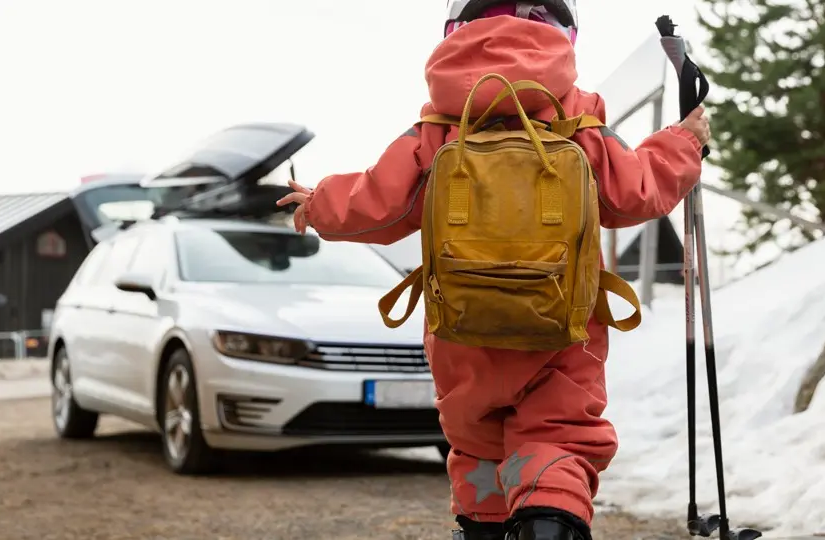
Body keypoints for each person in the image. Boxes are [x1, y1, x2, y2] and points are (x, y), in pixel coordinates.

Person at [276, 1, 710, 538]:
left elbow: (377, 203)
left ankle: (483, 525)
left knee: (478, 441)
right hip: (562, 328)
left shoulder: (437, 125)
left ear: (459, 29)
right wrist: (684, 142)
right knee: (557, 438)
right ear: (563, 34)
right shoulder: (579, 118)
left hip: (462, 328)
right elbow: (638, 191)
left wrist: (317, 202)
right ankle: (547, 525)